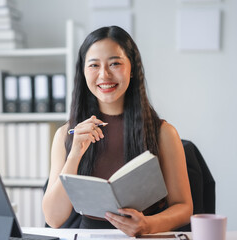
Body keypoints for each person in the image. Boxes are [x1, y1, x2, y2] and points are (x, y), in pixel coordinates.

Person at [42, 25, 193, 237]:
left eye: (115, 63)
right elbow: (53, 219)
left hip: (146, 235)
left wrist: (148, 225)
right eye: (94, 65)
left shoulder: (164, 133)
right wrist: (75, 153)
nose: (104, 74)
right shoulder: (66, 135)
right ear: (83, 72)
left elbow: (184, 207)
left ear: (132, 69)